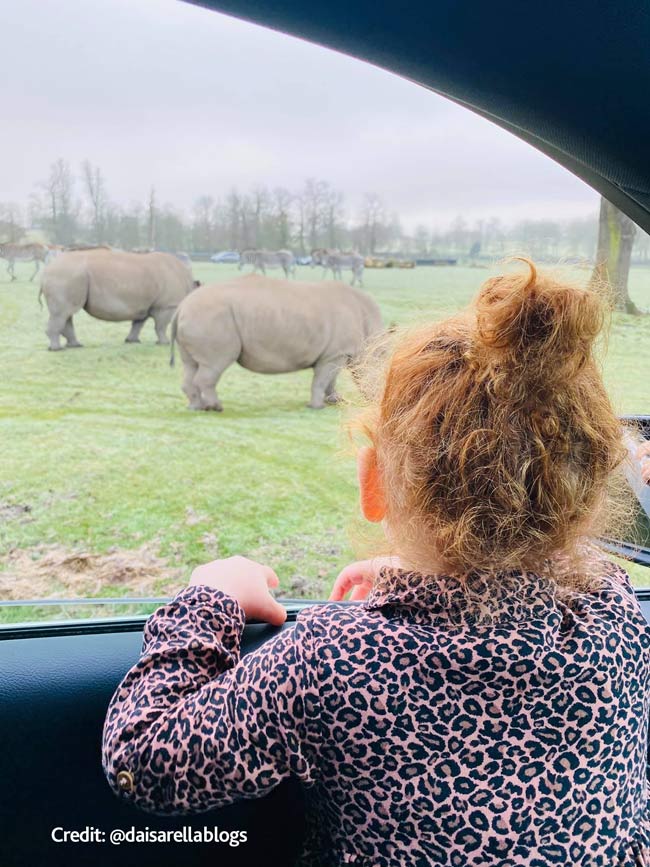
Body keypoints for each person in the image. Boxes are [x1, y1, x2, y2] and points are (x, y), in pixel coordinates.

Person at [102, 260, 650, 866]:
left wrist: (209, 600)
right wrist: (413, 576)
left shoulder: (331, 657)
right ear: (594, 489)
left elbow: (145, 763)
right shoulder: (621, 621)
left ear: (374, 486)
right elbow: (539, 579)